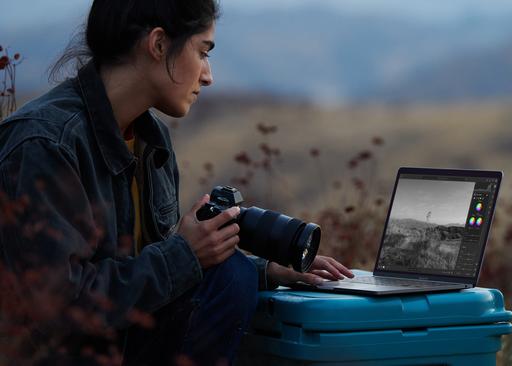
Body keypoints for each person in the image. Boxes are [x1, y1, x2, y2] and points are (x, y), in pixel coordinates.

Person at [0, 0, 353, 364]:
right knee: (231, 278)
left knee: (236, 274)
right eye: (203, 52)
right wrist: (185, 255)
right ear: (158, 45)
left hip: (122, 344)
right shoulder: (45, 145)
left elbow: (148, 265)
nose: (208, 75)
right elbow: (58, 305)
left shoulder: (151, 142)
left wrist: (267, 271)